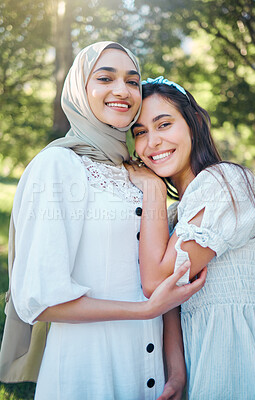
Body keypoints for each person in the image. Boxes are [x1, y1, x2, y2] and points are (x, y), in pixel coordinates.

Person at [1, 46, 207, 400]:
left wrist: (175, 373)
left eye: (132, 80)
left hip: (153, 372)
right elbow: (40, 299)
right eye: (105, 78)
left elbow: (161, 275)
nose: (121, 90)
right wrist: (146, 310)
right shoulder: (58, 166)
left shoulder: (140, 172)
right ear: (80, 88)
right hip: (90, 369)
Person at [126, 76, 255, 399]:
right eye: (141, 132)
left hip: (238, 353)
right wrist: (176, 375)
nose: (153, 141)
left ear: (195, 122)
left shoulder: (227, 183)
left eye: (164, 124)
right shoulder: (175, 215)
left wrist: (151, 189)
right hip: (195, 356)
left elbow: (156, 281)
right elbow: (169, 304)